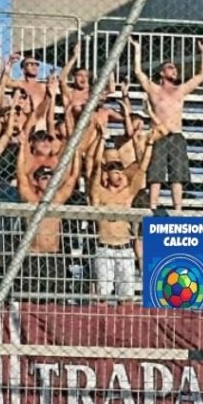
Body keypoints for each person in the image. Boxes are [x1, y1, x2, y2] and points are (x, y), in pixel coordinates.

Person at [129, 38, 203, 213]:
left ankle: (177, 209)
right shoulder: (154, 90)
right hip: (159, 134)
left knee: (177, 176)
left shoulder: (180, 90)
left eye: (175, 68)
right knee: (155, 175)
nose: (175, 70)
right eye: (170, 67)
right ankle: (152, 208)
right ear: (161, 72)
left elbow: (201, 76)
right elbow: (138, 72)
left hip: (176, 133)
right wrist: (137, 50)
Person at [88, 127, 157, 303]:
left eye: (120, 171)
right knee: (102, 297)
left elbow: (142, 168)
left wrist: (149, 143)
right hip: (105, 246)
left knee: (126, 298)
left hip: (124, 247)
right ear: (107, 174)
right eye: (114, 171)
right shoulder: (99, 193)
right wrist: (101, 140)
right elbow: (94, 168)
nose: (119, 174)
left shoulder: (127, 195)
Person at [16, 147, 82, 298]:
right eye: (44, 178)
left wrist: (77, 153)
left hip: (53, 256)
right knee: (31, 297)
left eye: (51, 178)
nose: (49, 181)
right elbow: (21, 176)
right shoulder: (31, 200)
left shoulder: (57, 200)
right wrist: (22, 147)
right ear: (36, 181)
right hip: (34, 255)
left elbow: (73, 177)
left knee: (55, 297)